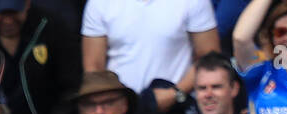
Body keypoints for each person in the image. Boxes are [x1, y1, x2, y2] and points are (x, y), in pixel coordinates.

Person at [81, 0, 219, 108]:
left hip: (178, 106)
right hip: (121, 110)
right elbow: (94, 68)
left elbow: (209, 57)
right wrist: (116, 103)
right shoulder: (98, 3)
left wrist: (176, 93)